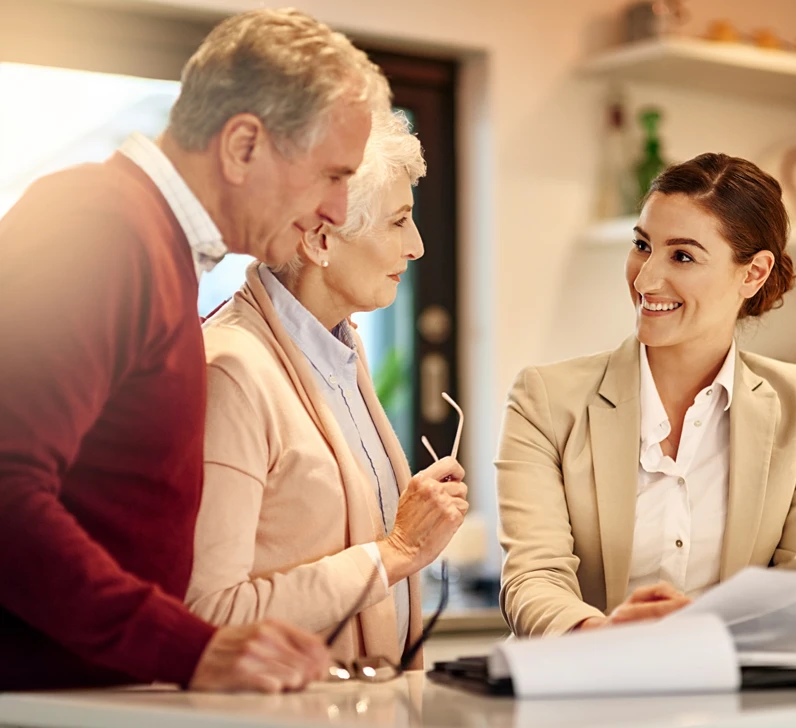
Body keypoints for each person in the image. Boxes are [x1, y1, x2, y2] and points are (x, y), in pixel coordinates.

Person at [0, 8, 389, 691]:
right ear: (243, 145)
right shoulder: (101, 229)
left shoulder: (156, 245)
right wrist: (187, 648)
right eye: (332, 174)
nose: (336, 208)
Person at [496, 153, 796, 655]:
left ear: (753, 273)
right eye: (642, 246)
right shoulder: (546, 399)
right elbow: (533, 578)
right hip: (587, 694)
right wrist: (603, 638)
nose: (645, 280)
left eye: (682, 256)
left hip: (734, 698)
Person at [186, 109, 467, 670]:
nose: (416, 246)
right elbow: (208, 616)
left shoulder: (340, 351)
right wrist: (398, 551)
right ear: (319, 239)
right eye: (398, 221)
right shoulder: (231, 373)